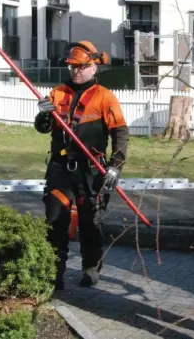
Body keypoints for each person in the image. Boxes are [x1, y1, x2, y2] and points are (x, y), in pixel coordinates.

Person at [34, 40, 129, 289]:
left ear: (94, 68)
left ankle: (90, 268)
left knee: (90, 222)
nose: (76, 71)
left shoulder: (105, 98)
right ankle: (54, 272)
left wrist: (115, 165)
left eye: (81, 67)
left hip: (91, 171)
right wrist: (43, 114)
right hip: (60, 169)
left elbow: (120, 132)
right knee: (55, 220)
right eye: (73, 67)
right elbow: (42, 128)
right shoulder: (57, 93)